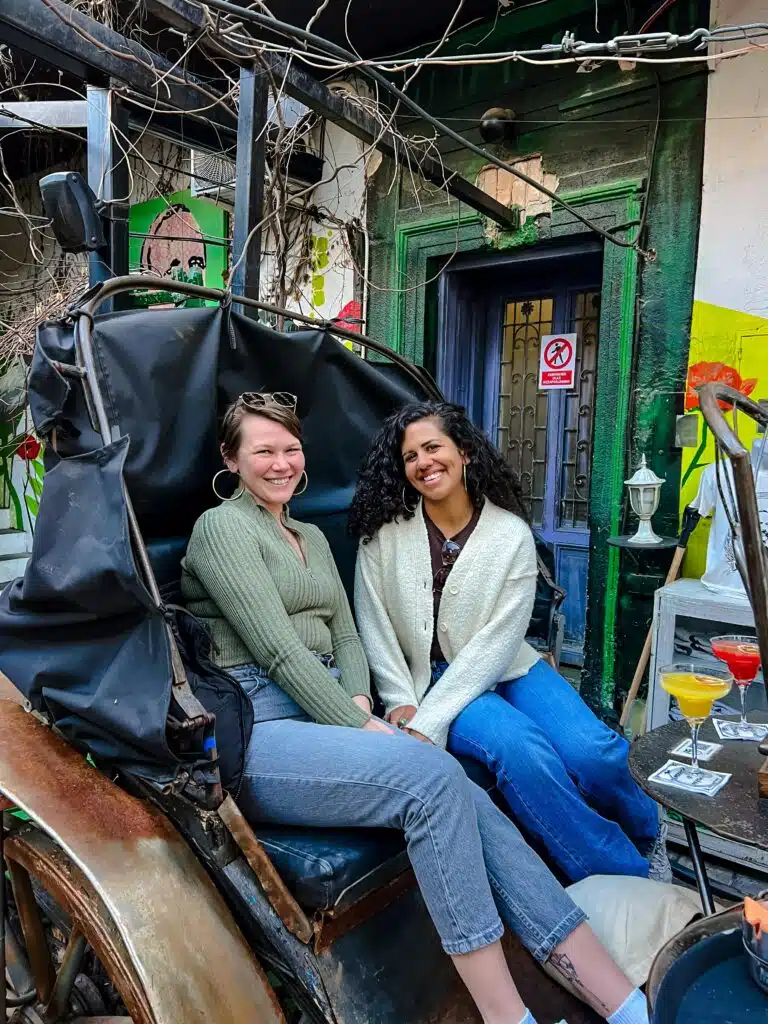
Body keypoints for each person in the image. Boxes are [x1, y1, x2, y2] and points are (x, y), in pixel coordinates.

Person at [182, 392, 651, 1024]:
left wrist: (355, 698)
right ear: (231, 459)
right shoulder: (221, 528)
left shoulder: (310, 536)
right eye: (263, 451)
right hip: (257, 721)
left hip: (326, 705)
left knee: (463, 780)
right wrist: (365, 722)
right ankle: (507, 1016)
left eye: (290, 449)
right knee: (432, 779)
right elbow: (277, 652)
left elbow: (348, 636)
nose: (281, 463)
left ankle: (623, 1003)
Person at [350, 400, 669, 886]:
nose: (423, 462)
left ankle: (648, 831)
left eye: (433, 447)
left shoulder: (510, 534)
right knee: (524, 754)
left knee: (593, 751)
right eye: (410, 456)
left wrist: (429, 724)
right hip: (432, 678)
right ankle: (628, 878)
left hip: (508, 665)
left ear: (464, 452)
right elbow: (373, 624)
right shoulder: (383, 535)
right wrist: (401, 701)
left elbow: (500, 641)